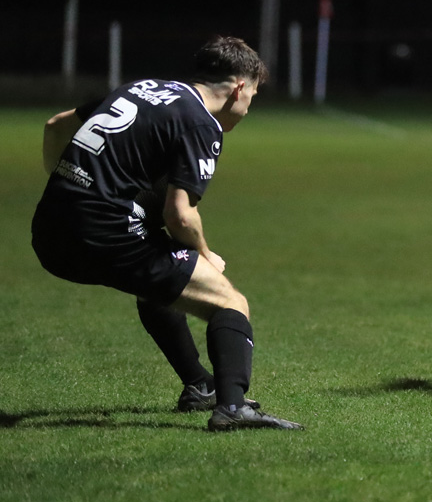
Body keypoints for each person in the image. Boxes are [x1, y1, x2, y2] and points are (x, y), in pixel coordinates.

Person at [32, 36, 303, 431]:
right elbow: (180, 215)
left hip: (49, 229)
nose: (248, 107)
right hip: (104, 231)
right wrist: (206, 254)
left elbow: (56, 125)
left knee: (155, 276)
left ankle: (199, 386)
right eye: (254, 96)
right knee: (229, 301)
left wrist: (72, 187)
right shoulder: (200, 122)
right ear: (240, 87)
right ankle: (232, 408)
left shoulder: (142, 88)